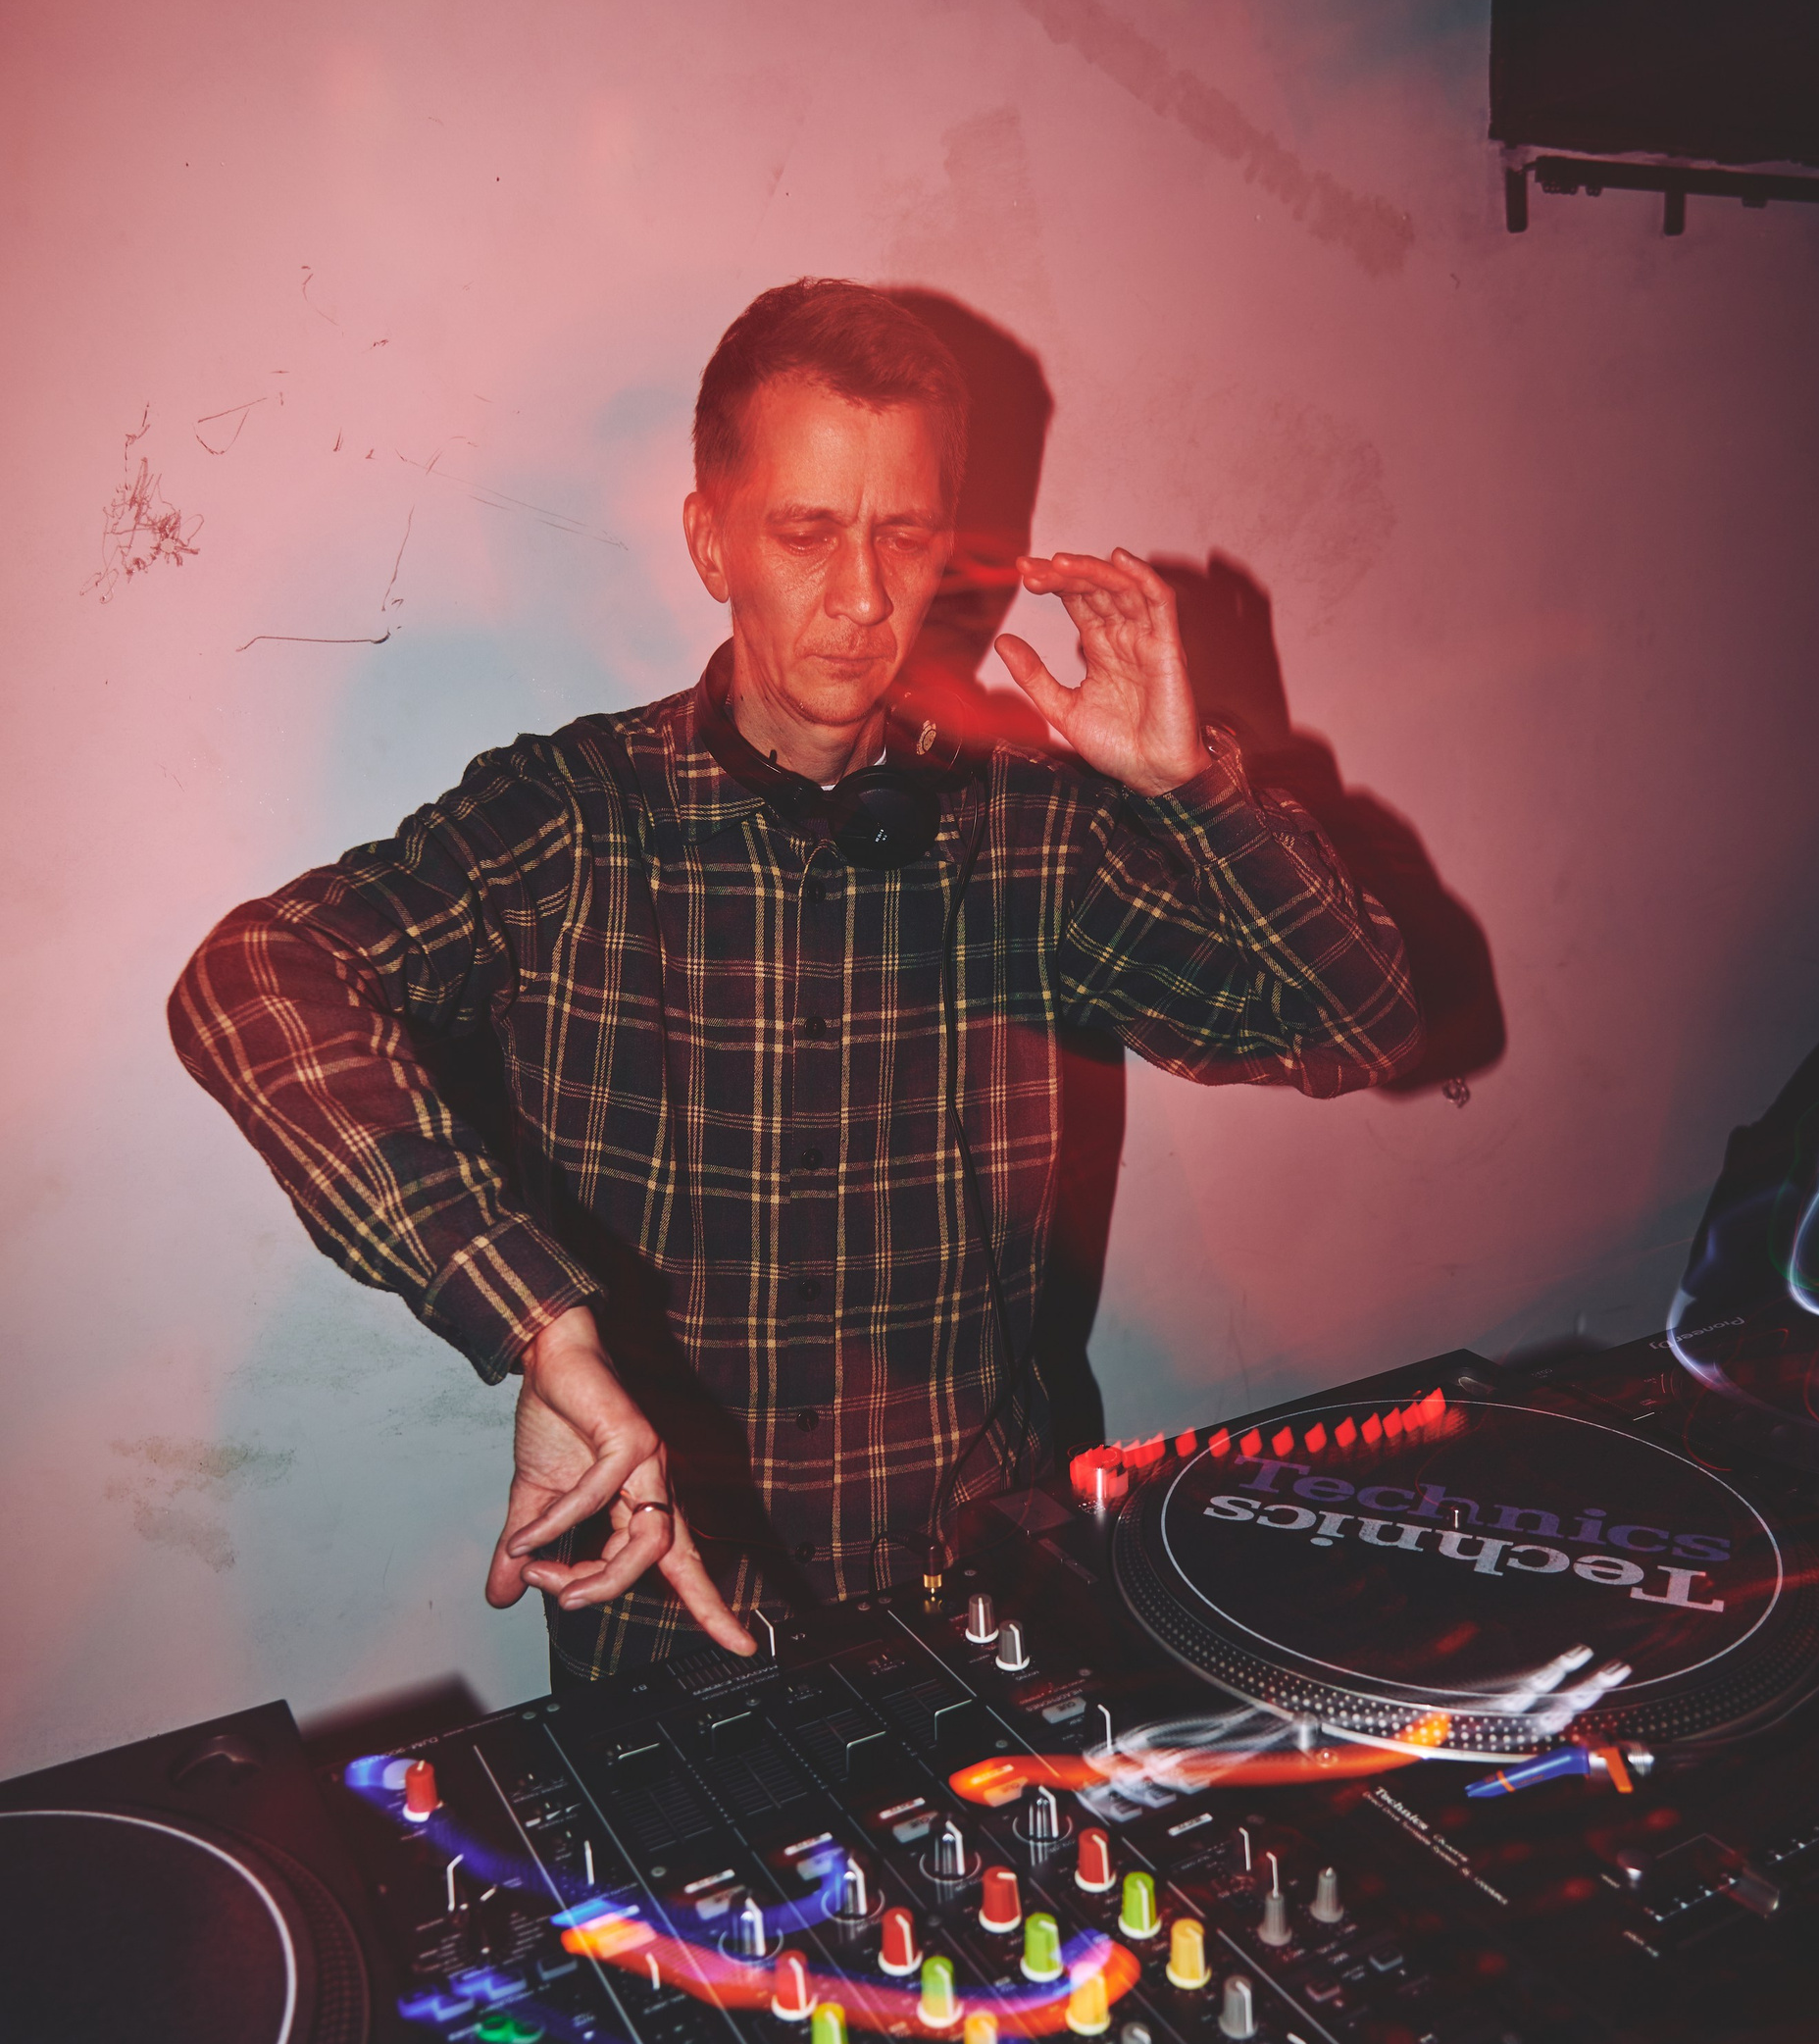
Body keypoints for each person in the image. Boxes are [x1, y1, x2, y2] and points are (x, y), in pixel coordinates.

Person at [171, 280, 1420, 1683]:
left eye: (905, 535)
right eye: (808, 532)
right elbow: (253, 977)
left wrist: (1193, 790)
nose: (864, 597)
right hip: (674, 1611)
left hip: (984, 1590)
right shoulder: (573, 816)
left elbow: (1357, 1027)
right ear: (712, 541)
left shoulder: (1030, 827)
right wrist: (532, 1317)